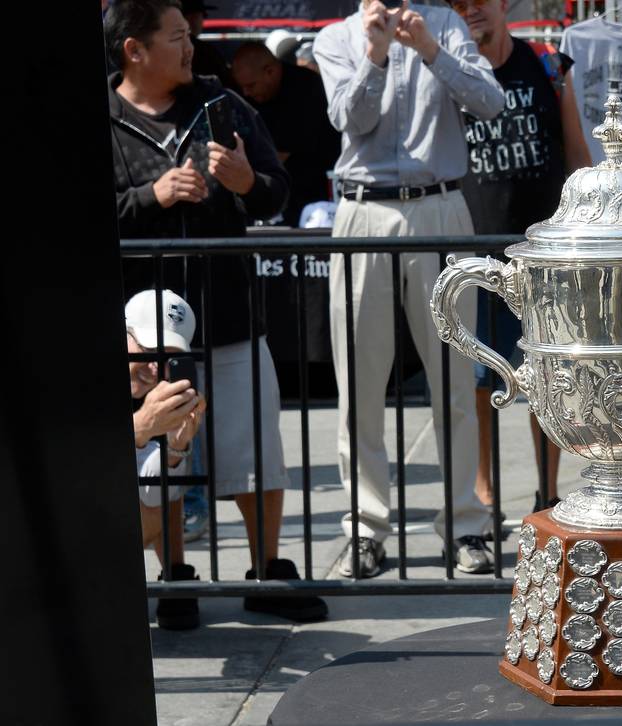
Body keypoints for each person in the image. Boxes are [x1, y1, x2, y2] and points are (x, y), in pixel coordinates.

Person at [106, 0, 327, 623]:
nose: (191, 45)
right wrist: (152, 194)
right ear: (135, 50)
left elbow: (278, 191)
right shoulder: (104, 115)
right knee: (165, 449)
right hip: (142, 330)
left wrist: (244, 183)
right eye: (176, 36)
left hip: (228, 307)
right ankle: (175, 575)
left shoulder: (222, 104)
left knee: (254, 444)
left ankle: (267, 568)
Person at [315, 0, 505, 577]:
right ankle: (366, 527)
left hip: (439, 205)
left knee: (454, 376)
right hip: (362, 211)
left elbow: (491, 103)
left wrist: (430, 50)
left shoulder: (443, 24)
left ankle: (466, 524)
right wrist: (375, 54)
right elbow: (349, 120)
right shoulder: (337, 37)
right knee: (360, 383)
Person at [451, 0, 591, 512]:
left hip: (544, 254)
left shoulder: (549, 66)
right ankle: (484, 493)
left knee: (550, 378)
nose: (471, 12)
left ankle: (548, 492)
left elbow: (577, 154)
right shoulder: (448, 73)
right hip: (473, 250)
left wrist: (584, 232)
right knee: (478, 381)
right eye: (458, 6)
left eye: (479, 2)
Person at [126, 289, 207, 629]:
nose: (154, 367)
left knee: (157, 502)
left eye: (168, 356)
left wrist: (175, 447)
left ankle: (173, 577)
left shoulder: (155, 398)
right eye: (147, 350)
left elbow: (153, 499)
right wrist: (140, 428)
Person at [232, 42, 342, 227]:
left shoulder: (307, 90)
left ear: (270, 72)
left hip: (312, 195)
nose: (246, 93)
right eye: (242, 87)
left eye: (251, 85)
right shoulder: (247, 96)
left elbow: (279, 155)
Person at [180, 0, 233, 89]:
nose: (203, 21)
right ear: (193, 18)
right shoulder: (206, 52)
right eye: (203, 16)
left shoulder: (169, 50)